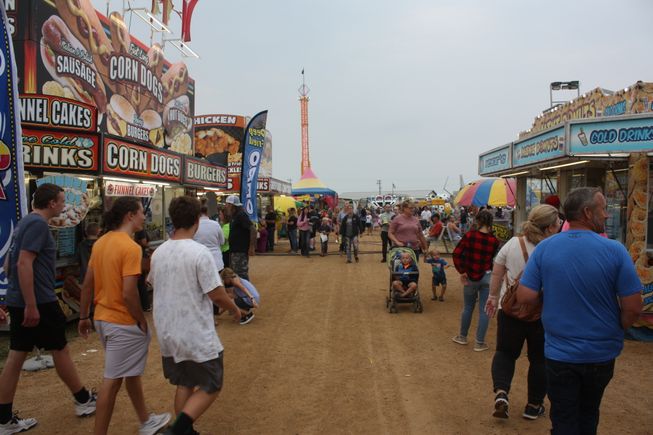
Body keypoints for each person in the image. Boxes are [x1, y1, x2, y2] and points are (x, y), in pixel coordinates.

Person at [516, 187, 642, 435]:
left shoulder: (545, 248)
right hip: (601, 353)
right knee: (588, 414)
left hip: (560, 354)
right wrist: (617, 327)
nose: (606, 215)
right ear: (587, 212)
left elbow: (525, 297)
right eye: (603, 209)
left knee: (563, 418)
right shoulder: (615, 250)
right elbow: (633, 307)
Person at [0, 184, 97, 434]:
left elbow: (9, 264)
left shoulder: (25, 223)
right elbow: (22, 263)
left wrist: (18, 296)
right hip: (39, 301)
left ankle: (3, 418)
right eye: (62, 201)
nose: (64, 206)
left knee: (16, 356)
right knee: (60, 349)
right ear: (52, 203)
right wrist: (31, 303)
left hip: (23, 300)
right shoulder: (38, 224)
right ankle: (83, 399)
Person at [146, 196, 241, 435]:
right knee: (212, 384)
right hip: (195, 332)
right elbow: (216, 294)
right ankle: (177, 431)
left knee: (186, 382)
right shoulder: (199, 253)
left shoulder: (158, 253)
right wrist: (235, 308)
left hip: (169, 332)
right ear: (197, 221)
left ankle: (185, 431)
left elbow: (153, 284)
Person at [78, 196, 170, 435]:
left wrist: (83, 316)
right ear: (130, 215)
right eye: (141, 212)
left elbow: (87, 284)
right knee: (112, 381)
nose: (144, 216)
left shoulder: (101, 242)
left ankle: (146, 420)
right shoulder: (130, 247)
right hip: (122, 322)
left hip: (103, 318)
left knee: (129, 373)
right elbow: (129, 293)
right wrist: (141, 319)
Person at [484, 204, 561, 421]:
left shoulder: (512, 243)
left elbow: (497, 274)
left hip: (510, 310)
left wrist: (492, 298)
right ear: (548, 228)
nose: (559, 227)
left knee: (505, 353)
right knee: (539, 360)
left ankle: (501, 392)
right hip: (544, 313)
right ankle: (533, 405)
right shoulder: (554, 247)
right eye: (556, 224)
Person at [451, 210, 500, 352]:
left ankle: (462, 337)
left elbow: (456, 254)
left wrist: (462, 271)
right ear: (491, 223)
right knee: (484, 311)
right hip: (486, 276)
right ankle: (479, 342)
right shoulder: (494, 241)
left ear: (478, 221)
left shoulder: (469, 236)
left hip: (470, 276)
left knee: (468, 307)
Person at [225, 195, 255, 281]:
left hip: (240, 251)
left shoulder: (241, 215)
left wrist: (251, 247)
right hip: (235, 250)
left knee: (241, 274)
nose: (226, 206)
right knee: (236, 274)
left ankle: (248, 293)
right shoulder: (234, 216)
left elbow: (252, 229)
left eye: (227, 204)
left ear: (232, 205)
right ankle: (241, 293)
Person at [193, 201, 226, 271]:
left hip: (200, 262)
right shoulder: (216, 225)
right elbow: (222, 242)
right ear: (207, 213)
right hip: (217, 262)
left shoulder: (194, 226)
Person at [134, 230, 151, 312]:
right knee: (142, 283)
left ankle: (141, 304)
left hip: (138, 256)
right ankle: (146, 305)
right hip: (142, 256)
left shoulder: (136, 232)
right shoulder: (142, 232)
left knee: (139, 283)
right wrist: (148, 245)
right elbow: (144, 243)